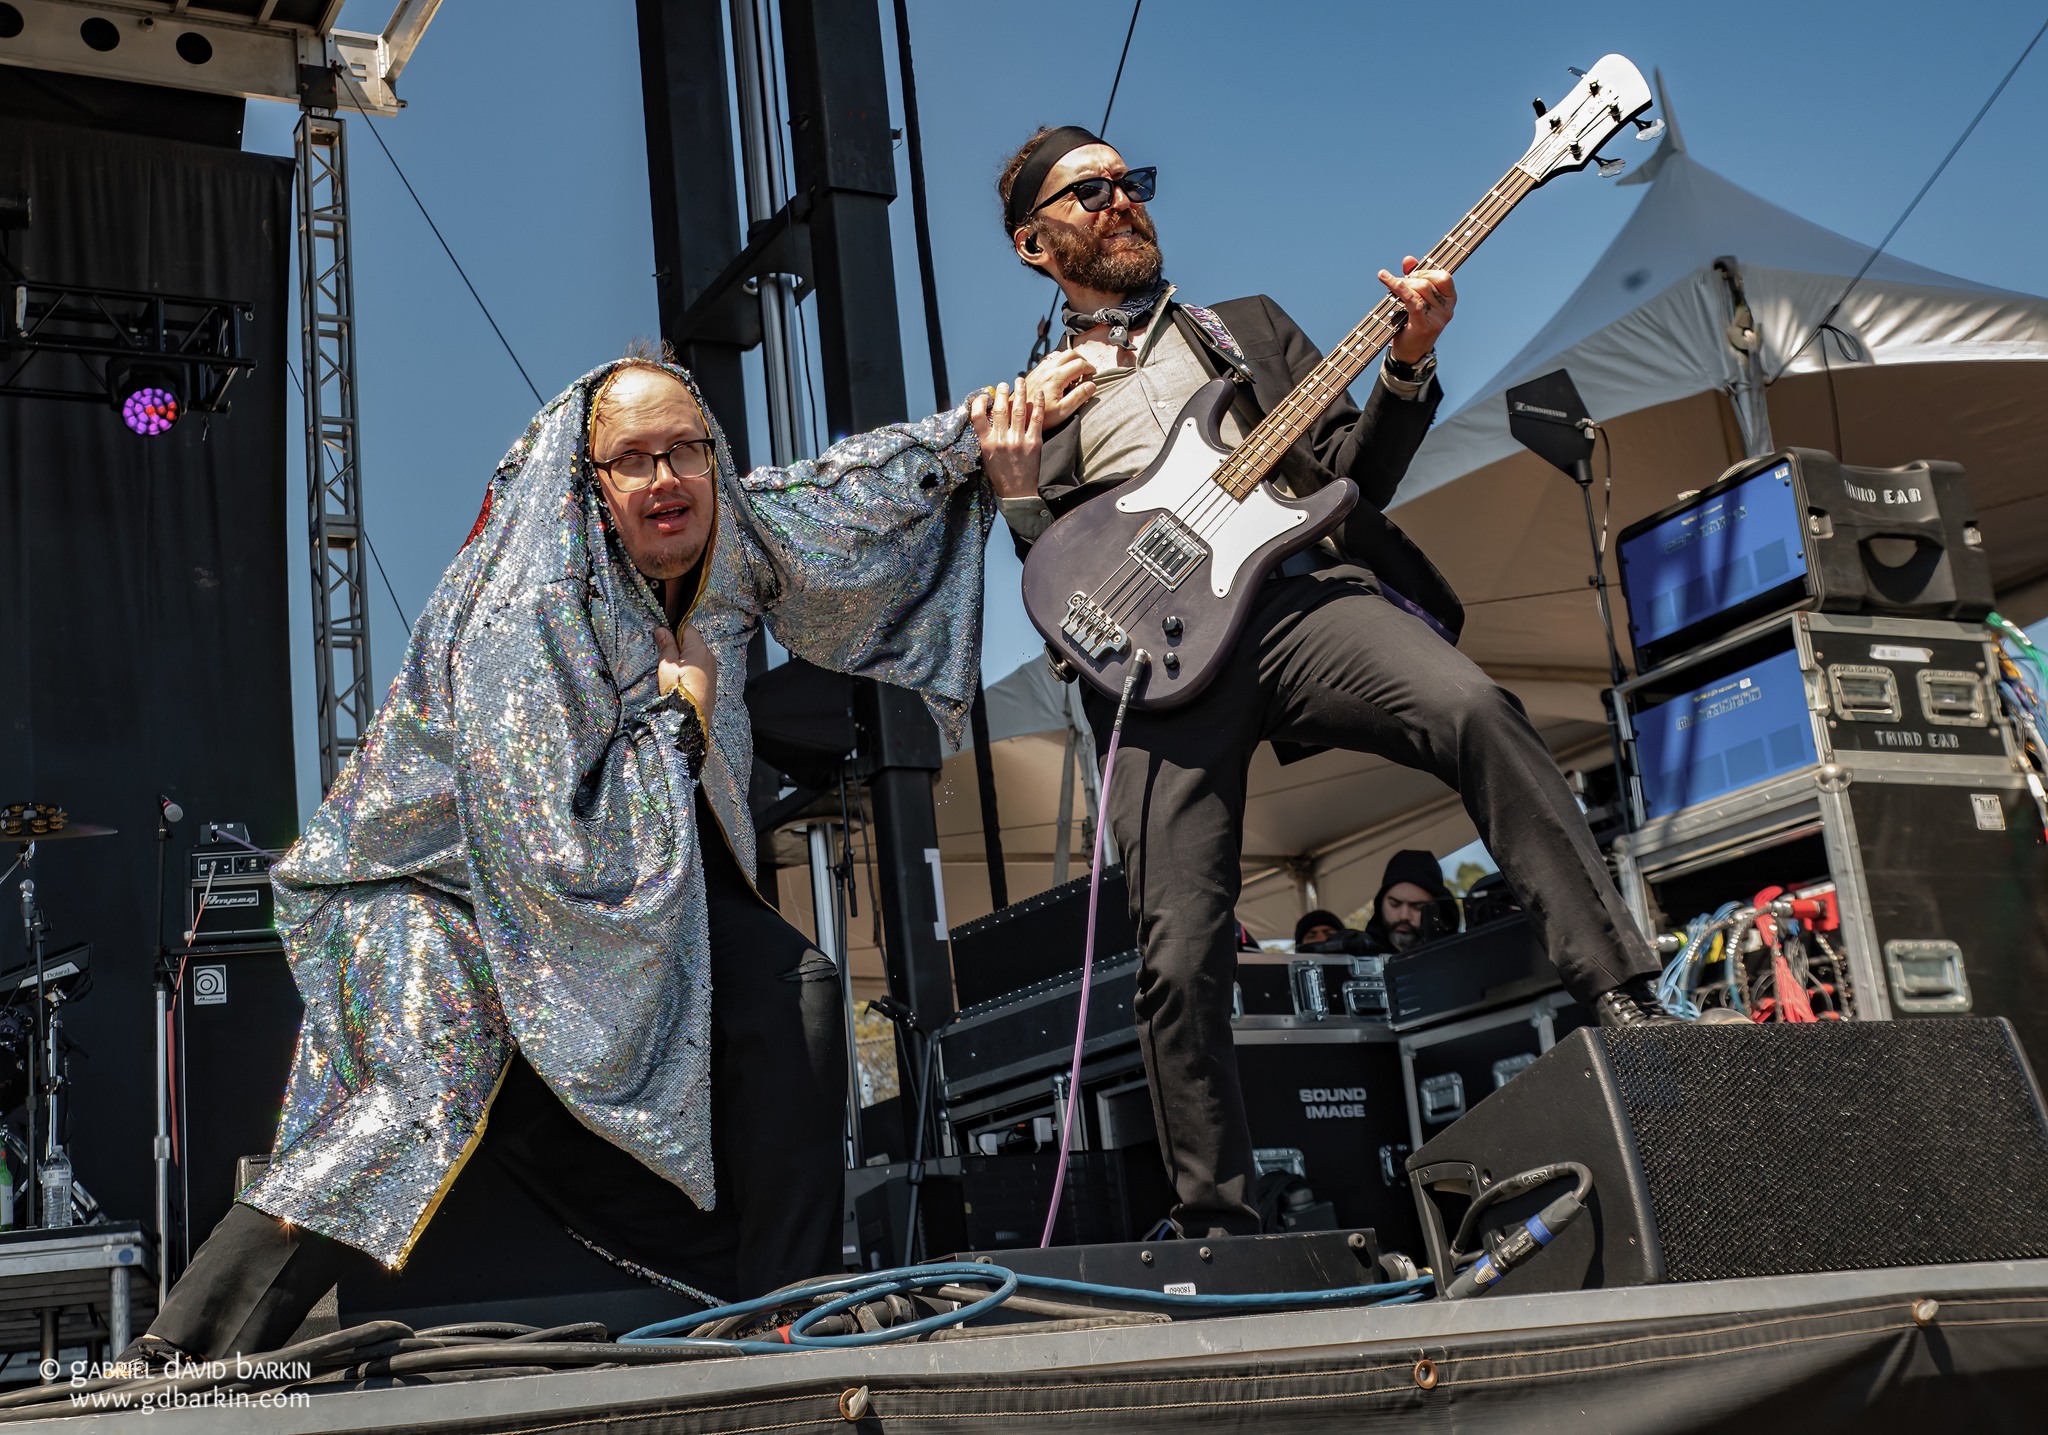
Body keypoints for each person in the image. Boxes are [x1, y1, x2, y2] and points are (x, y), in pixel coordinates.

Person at [129, 347, 1084, 1361]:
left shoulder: (722, 541)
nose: (666, 478)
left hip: (630, 862)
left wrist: (980, 433)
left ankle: (781, 1304)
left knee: (786, 984)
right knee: (418, 1095)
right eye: (634, 459)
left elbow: (835, 497)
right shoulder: (525, 613)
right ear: (589, 483)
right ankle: (179, 1362)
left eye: (686, 450)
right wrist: (679, 722)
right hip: (440, 888)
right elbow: (540, 839)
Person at [991, 126, 1673, 1238]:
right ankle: (1216, 1213)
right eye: (1091, 191)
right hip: (1158, 669)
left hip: (1299, 599)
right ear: (1035, 241)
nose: (1122, 201)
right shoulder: (1036, 398)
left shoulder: (1246, 330)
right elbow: (1060, 580)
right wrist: (1020, 494)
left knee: (1471, 707)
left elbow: (1357, 477)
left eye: (1133, 183)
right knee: (1176, 940)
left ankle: (1618, 990)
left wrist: (1405, 362)